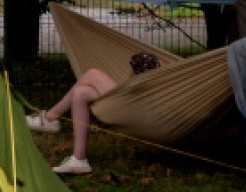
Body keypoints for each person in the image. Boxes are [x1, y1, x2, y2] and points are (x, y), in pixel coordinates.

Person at [26, 51, 162, 175]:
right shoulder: (154, 83)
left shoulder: (159, 88)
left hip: (130, 109)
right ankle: (79, 160)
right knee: (80, 93)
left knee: (93, 74)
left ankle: (50, 118)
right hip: (130, 106)